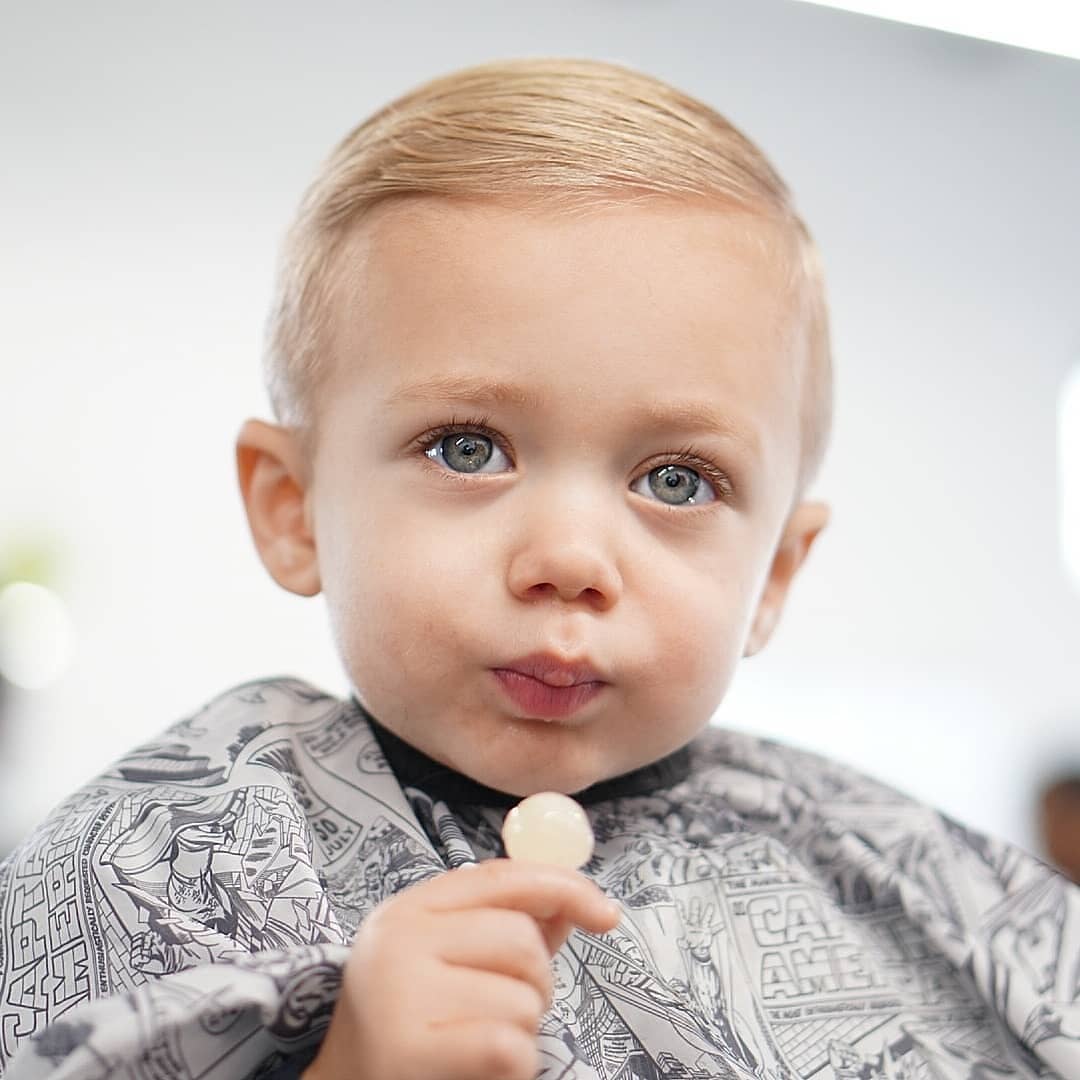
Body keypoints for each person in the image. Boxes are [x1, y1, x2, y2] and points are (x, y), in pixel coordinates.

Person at [0, 56, 1076, 1080]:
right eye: (468, 448)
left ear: (779, 573)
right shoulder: (174, 845)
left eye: (678, 480)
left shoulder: (882, 867)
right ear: (295, 510)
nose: (568, 560)